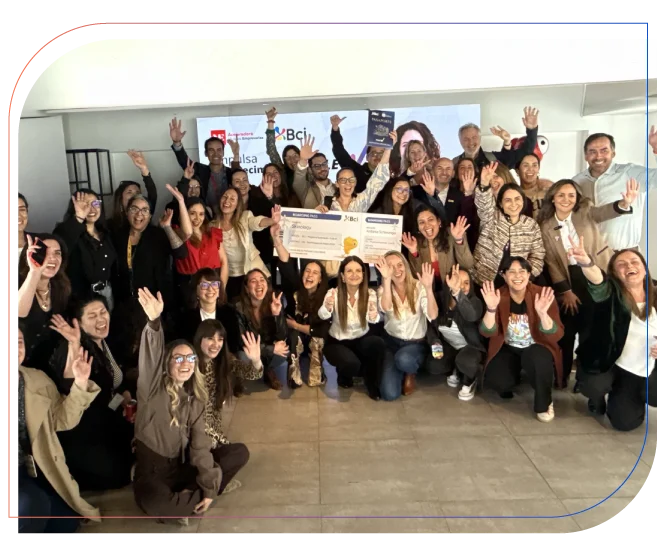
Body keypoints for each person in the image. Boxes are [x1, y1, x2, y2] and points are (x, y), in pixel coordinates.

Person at [132, 288, 223, 524]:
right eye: (178, 358)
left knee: (237, 454)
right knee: (156, 503)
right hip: (152, 474)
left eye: (191, 358)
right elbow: (150, 359)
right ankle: (194, 499)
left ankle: (198, 496)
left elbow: (200, 447)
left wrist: (209, 485)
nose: (186, 363)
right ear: (167, 364)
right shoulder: (151, 389)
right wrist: (154, 322)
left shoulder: (196, 399)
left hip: (181, 467)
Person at [536, 178, 637, 388]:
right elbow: (551, 262)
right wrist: (565, 291)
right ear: (553, 198)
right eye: (561, 195)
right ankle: (562, 375)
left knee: (591, 330)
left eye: (571, 195)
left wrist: (624, 204)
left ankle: (584, 378)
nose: (566, 199)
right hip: (569, 279)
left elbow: (604, 212)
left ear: (577, 198)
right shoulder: (546, 226)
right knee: (567, 331)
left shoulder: (585, 211)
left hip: (597, 273)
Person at [16, 324, 101, 536]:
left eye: (18, 342)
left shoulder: (36, 379)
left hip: (33, 467)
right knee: (32, 505)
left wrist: (80, 383)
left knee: (66, 522)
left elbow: (62, 420)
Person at [569, 245, 663, 431]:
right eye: (621, 264)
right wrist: (586, 263)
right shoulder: (610, 293)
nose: (629, 266)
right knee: (595, 387)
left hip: (647, 367)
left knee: (627, 421)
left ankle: (636, 395)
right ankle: (599, 397)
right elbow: (598, 281)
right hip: (612, 363)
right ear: (614, 273)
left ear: (645, 269)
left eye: (634, 262)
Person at [48, 296, 136, 492]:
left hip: (108, 417)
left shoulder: (105, 342)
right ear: (79, 323)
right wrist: (74, 343)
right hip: (84, 429)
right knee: (118, 474)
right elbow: (70, 384)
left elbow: (116, 382)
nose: (100, 319)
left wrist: (125, 397)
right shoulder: (76, 347)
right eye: (92, 316)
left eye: (103, 312)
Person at [479, 257, 564, 423]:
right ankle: (514, 378)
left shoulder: (542, 294)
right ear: (504, 275)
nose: (517, 276)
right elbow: (487, 332)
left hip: (536, 346)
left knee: (539, 360)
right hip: (509, 347)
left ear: (529, 274)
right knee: (499, 381)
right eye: (511, 271)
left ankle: (544, 402)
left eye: (522, 271)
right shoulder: (497, 296)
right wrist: (491, 308)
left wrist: (542, 313)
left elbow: (557, 335)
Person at [192, 320, 262, 493]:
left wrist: (256, 360)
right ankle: (206, 485)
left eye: (220, 339)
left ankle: (209, 484)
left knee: (239, 453)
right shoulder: (189, 364)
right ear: (200, 339)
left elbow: (252, 373)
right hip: (193, 437)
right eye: (210, 338)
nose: (216, 344)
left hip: (213, 438)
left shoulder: (224, 361)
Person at [572, 127, 659, 252]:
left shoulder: (630, 172)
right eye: (592, 151)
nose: (598, 156)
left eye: (604, 151)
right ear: (586, 156)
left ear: (613, 153)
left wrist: (658, 148)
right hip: (591, 255)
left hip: (626, 252)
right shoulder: (577, 181)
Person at [318, 256, 385, 400]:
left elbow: (374, 319)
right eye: (349, 271)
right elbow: (322, 315)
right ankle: (345, 374)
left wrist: (374, 315)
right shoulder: (333, 293)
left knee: (377, 343)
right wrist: (327, 306)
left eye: (358, 271)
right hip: (338, 342)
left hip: (360, 339)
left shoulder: (370, 294)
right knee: (351, 364)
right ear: (342, 276)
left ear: (363, 275)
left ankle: (372, 384)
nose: (354, 274)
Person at [271, 225, 330, 388]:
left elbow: (322, 330)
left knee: (318, 337)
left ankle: (316, 373)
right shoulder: (295, 287)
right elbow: (286, 263)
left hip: (314, 336)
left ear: (320, 279)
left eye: (315, 273)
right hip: (295, 336)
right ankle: (294, 374)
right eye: (307, 271)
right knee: (293, 334)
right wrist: (277, 240)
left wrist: (296, 325)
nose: (310, 275)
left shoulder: (327, 297)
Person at [471, 162, 546, 288]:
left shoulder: (531, 225)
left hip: (516, 284)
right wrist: (483, 184)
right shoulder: (491, 216)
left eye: (517, 199)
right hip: (484, 281)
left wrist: (527, 275)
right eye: (507, 200)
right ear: (501, 203)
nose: (513, 204)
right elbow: (484, 206)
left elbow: (538, 256)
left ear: (523, 201)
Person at [376, 252, 438, 400]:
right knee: (389, 394)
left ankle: (410, 371)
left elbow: (433, 315)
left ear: (406, 266)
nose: (397, 270)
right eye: (391, 267)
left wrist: (429, 289)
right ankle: (400, 367)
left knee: (403, 359)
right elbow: (386, 307)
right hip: (392, 344)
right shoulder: (383, 289)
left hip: (415, 344)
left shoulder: (419, 286)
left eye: (400, 265)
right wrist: (386, 279)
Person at [427, 265, 487, 402]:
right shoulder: (440, 299)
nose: (463, 286)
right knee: (434, 365)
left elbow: (470, 315)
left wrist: (457, 292)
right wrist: (435, 343)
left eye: (466, 283)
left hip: (471, 347)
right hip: (450, 345)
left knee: (465, 361)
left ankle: (469, 380)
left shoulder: (475, 302)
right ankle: (456, 368)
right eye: (458, 281)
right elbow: (431, 324)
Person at [211, 187, 281, 302]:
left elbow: (257, 222)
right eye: (225, 197)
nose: (227, 201)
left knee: (264, 305)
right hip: (231, 275)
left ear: (237, 204)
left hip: (254, 270)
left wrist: (271, 221)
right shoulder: (213, 226)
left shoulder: (245, 217)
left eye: (232, 199)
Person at [54, 190, 118, 310]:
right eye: (85, 204)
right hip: (81, 298)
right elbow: (60, 244)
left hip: (107, 293)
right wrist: (79, 217)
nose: (91, 209)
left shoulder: (106, 232)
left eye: (95, 203)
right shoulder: (69, 231)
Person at [17, 234, 71, 376]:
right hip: (21, 366)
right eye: (45, 252)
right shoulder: (18, 283)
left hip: (50, 366)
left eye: (57, 253)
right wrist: (35, 271)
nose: (51, 258)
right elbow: (18, 312)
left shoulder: (61, 287)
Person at [169, 118, 242, 210]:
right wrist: (177, 143)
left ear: (223, 153)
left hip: (227, 214)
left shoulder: (229, 173)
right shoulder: (199, 170)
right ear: (206, 153)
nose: (216, 154)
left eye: (219, 150)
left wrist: (236, 155)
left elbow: (239, 176)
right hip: (203, 215)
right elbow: (184, 161)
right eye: (211, 150)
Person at [235, 269, 288, 391]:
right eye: (253, 281)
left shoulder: (273, 302)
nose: (259, 284)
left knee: (284, 350)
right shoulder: (238, 308)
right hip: (248, 351)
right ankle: (240, 376)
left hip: (265, 349)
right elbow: (241, 342)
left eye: (262, 280)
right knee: (243, 356)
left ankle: (267, 370)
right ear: (247, 289)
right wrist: (272, 349)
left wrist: (276, 315)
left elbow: (282, 335)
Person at [402, 208, 474, 286]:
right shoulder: (415, 242)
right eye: (422, 222)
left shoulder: (452, 233)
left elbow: (467, 265)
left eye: (430, 219)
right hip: (429, 290)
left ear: (439, 221)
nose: (427, 225)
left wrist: (458, 240)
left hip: (453, 287)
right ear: (418, 227)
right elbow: (417, 277)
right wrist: (414, 252)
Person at [453, 107, 539, 170]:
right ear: (460, 141)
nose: (471, 142)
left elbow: (525, 153)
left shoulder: (493, 158)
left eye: (474, 137)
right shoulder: (453, 164)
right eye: (466, 139)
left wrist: (531, 130)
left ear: (480, 138)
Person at [330, 114, 384, 192]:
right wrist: (335, 129)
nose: (378, 157)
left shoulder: (391, 174)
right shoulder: (356, 171)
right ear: (367, 157)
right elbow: (339, 151)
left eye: (381, 154)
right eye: (374, 153)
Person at [110, 151, 158, 235]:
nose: (135, 195)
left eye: (138, 192)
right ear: (120, 198)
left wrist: (144, 169)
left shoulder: (144, 214)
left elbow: (152, 194)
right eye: (129, 192)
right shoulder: (110, 226)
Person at [411, 159, 463, 227]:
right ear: (432, 172)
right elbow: (399, 185)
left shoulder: (459, 196)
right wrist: (410, 171)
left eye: (448, 169)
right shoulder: (416, 192)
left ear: (453, 173)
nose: (444, 172)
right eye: (439, 168)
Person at [264, 106, 300, 188]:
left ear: (301, 156)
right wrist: (270, 121)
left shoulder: (310, 171)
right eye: (288, 158)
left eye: (295, 156)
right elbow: (271, 149)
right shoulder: (283, 172)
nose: (293, 160)